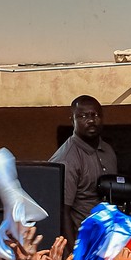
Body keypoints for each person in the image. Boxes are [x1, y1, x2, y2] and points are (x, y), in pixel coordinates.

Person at [49, 93, 117, 231]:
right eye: (83, 116)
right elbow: (62, 213)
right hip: (82, 241)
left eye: (95, 115)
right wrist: (72, 252)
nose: (91, 120)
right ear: (72, 120)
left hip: (109, 238)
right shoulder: (66, 159)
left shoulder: (108, 150)